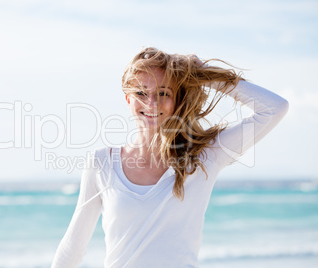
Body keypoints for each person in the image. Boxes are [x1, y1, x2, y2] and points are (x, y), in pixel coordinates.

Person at [51, 47, 289, 267]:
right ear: (128, 99)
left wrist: (205, 74)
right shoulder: (102, 163)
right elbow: (73, 247)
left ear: (176, 99)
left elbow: (274, 108)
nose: (151, 103)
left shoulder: (205, 157)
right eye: (141, 93)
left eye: (163, 92)